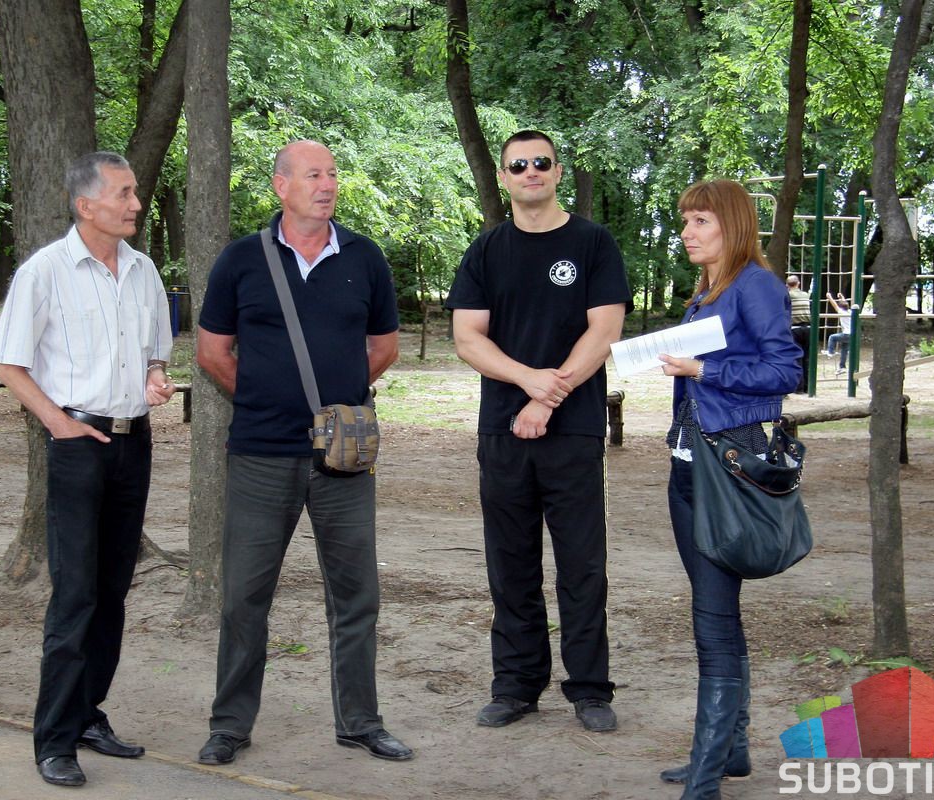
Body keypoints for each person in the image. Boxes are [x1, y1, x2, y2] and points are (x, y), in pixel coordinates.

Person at [194, 140, 411, 765]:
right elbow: (212, 353)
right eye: (314, 174)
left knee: (356, 596)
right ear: (280, 186)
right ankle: (230, 726)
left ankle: (360, 723)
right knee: (244, 597)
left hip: (342, 459)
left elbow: (384, 346)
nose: (327, 185)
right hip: (260, 455)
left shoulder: (365, 257)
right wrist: (267, 400)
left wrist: (334, 407)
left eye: (333, 174)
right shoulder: (241, 259)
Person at [0, 151, 176, 787]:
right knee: (75, 595)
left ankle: (89, 714)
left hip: (133, 443)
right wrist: (58, 422)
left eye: (135, 192)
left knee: (114, 590)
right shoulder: (45, 271)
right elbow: (7, 360)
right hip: (76, 446)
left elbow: (154, 354)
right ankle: (55, 740)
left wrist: (155, 378)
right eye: (123, 193)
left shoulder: (144, 271)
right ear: (85, 204)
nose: (136, 203)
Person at [445, 130, 631, 734]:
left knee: (582, 565)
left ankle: (590, 689)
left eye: (541, 162)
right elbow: (467, 337)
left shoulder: (593, 243)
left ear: (557, 171)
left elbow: (603, 331)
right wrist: (528, 381)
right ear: (504, 177)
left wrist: (548, 399)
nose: (531, 171)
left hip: (575, 431)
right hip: (502, 433)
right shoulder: (486, 250)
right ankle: (516, 685)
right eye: (519, 164)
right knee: (511, 563)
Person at [657, 179, 801, 800]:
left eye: (700, 221)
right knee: (716, 611)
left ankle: (706, 777)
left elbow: (786, 368)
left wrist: (702, 368)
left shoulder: (756, 285)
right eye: (685, 220)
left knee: (713, 621)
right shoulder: (708, 291)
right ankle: (730, 751)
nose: (686, 232)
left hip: (727, 470)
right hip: (689, 467)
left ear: (732, 225)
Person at [786, 275, 810, 393]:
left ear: (787, 285)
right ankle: (808, 387)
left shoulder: (788, 295)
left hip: (794, 328)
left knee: (797, 358)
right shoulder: (805, 295)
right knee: (807, 358)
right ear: (798, 283)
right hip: (808, 328)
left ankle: (799, 387)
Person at [824, 292, 853, 374]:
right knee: (844, 350)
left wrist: (829, 297)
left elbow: (835, 305)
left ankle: (831, 352)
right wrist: (842, 297)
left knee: (832, 337)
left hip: (846, 334)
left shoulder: (841, 312)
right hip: (852, 335)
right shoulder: (850, 311)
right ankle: (842, 367)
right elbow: (845, 304)